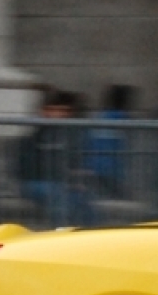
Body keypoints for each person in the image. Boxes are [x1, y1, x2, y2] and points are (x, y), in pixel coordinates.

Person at [17, 90, 98, 226]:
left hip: (62, 184)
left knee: (83, 200)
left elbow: (76, 162)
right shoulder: (34, 137)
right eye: (54, 110)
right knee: (59, 197)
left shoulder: (73, 135)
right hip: (37, 182)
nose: (59, 114)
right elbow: (28, 167)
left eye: (64, 110)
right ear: (44, 111)